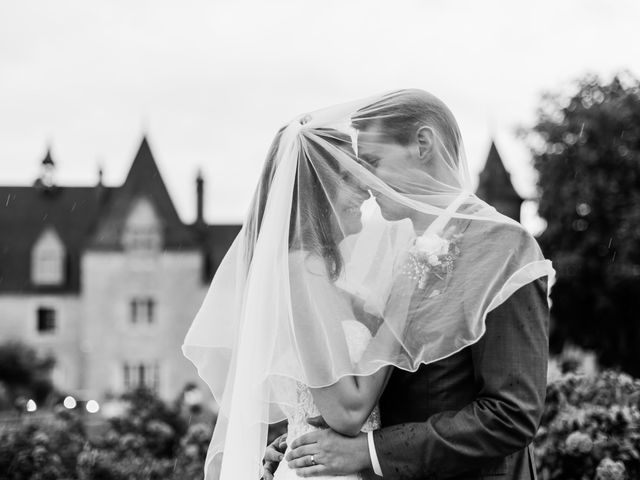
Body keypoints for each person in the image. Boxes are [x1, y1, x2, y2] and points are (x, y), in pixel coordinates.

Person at [182, 89, 554, 480]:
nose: (366, 183)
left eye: (372, 163)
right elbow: (370, 378)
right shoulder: (392, 254)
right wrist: (308, 436)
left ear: (422, 144)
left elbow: (510, 414)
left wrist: (367, 452)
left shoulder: (503, 245)